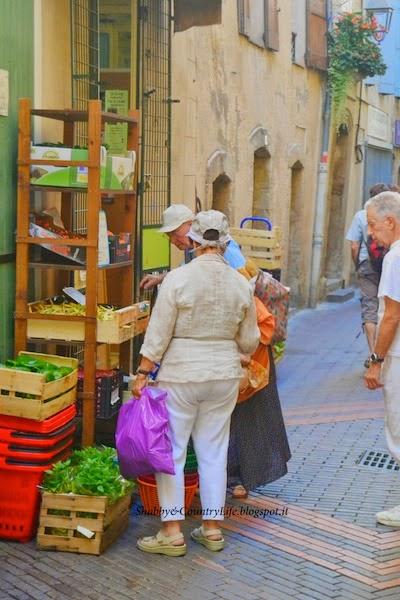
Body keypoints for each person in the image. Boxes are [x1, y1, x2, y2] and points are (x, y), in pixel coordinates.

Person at [133, 210, 260, 556]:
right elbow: (250, 341)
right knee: (214, 451)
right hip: (224, 376)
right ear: (224, 240)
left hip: (181, 375)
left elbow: (158, 334)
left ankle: (172, 531)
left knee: (172, 453)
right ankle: (212, 529)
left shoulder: (178, 278)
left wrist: (143, 373)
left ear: (197, 239)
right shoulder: (240, 282)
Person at [228, 262, 291, 498]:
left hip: (254, 369)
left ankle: (241, 480)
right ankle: (235, 478)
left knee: (247, 424)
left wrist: (244, 351)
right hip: (245, 367)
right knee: (240, 425)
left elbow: (265, 326)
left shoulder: (242, 293)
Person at [363, 191, 400, 526]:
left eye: (374, 226)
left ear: (390, 222)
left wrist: (376, 360)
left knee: (399, 428)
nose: (372, 234)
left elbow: (390, 316)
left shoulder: (395, 258)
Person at [140, 203, 245, 290]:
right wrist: (160, 278)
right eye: (168, 235)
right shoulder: (192, 249)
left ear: (191, 224)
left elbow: (244, 288)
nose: (172, 240)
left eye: (174, 232)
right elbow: (185, 271)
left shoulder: (228, 252)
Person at [346, 183, 389, 365]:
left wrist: (358, 265)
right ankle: (386, 352)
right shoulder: (390, 216)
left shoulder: (361, 215)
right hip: (387, 264)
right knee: (387, 307)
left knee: (369, 309)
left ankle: (373, 355)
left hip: (367, 266)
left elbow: (354, 246)